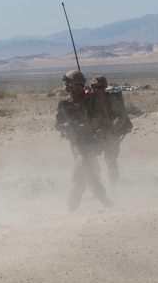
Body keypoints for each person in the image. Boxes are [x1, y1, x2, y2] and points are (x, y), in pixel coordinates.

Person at [55, 71, 114, 210]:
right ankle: (102, 199)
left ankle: (73, 205)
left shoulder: (93, 101)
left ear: (79, 86)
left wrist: (99, 134)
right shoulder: (65, 104)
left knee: (82, 171)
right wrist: (67, 129)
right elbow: (58, 124)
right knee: (88, 170)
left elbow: (105, 122)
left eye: (70, 84)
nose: (66, 87)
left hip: (92, 142)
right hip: (77, 143)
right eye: (65, 84)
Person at [88, 75, 133, 185]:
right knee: (90, 158)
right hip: (96, 135)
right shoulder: (90, 100)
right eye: (95, 87)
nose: (97, 90)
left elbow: (121, 116)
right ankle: (96, 184)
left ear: (104, 87)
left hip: (111, 134)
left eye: (100, 87)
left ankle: (114, 184)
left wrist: (112, 130)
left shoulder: (111, 99)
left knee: (110, 160)